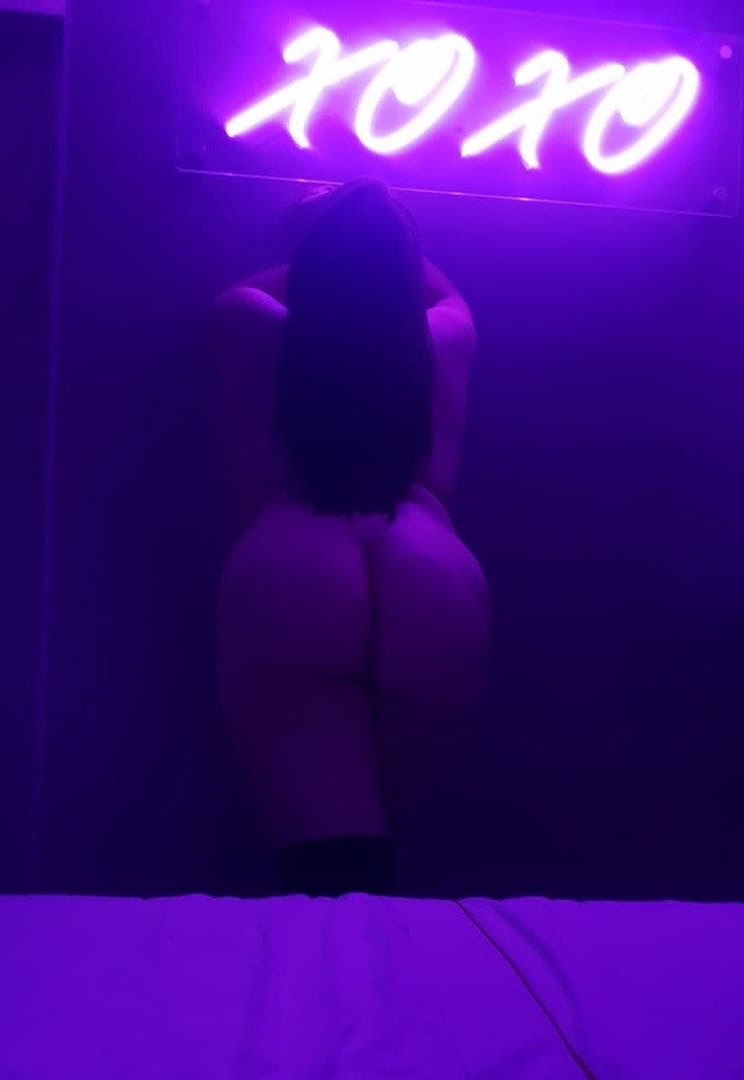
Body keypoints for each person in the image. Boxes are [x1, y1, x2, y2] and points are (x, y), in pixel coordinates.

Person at [210, 180, 490, 897]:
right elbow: (443, 292)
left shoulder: (248, 322)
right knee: (385, 855)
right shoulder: (448, 334)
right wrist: (384, 229)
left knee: (330, 865)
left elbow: (246, 292)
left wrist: (324, 232)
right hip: (431, 568)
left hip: (297, 561)